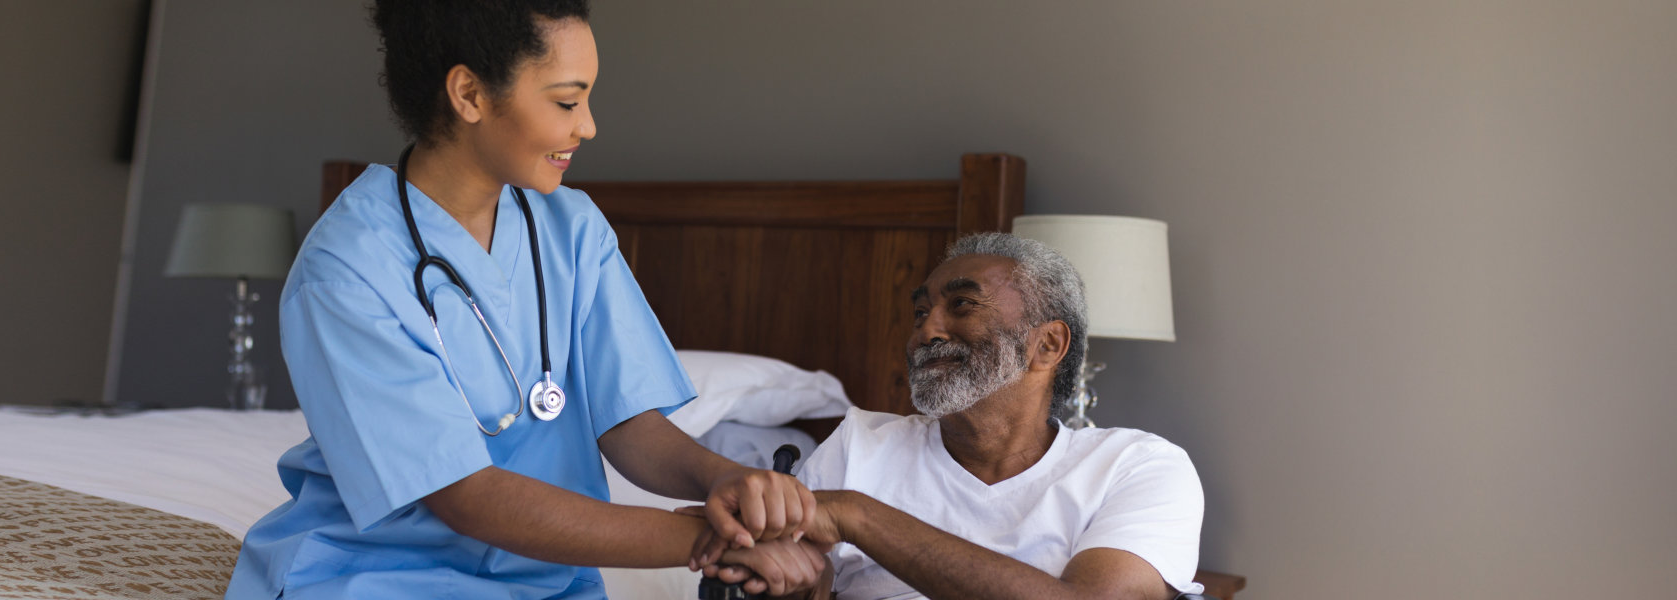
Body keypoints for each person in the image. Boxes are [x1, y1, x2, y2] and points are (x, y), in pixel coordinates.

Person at [224, 2, 821, 598]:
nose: (587, 126)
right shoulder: (347, 267)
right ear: (470, 94)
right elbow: (468, 495)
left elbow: (629, 424)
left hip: (546, 582)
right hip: (377, 576)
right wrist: (709, 542)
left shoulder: (572, 227)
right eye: (566, 101)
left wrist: (730, 485)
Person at [691, 233, 1205, 600]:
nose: (927, 331)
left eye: (962, 305)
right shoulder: (860, 445)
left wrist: (857, 515)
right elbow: (807, 583)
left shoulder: (1138, 466)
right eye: (920, 313)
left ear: (1047, 344)